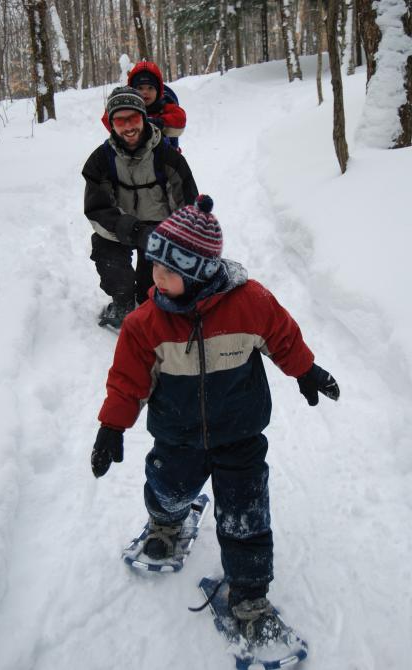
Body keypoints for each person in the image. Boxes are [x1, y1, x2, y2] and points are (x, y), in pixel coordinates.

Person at [90, 195, 340, 645]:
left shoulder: (252, 303)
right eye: (155, 268)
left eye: (168, 272)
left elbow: (283, 337)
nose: (155, 277)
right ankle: (167, 522)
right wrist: (112, 426)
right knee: (168, 491)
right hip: (176, 436)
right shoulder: (145, 324)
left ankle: (248, 595)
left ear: (198, 271)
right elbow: (127, 381)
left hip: (240, 435)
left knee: (246, 516)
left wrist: (306, 371)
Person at [83, 86, 198, 328]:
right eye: (120, 120)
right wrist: (133, 230)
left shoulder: (169, 157)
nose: (128, 127)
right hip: (120, 229)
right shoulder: (100, 161)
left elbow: (187, 207)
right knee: (106, 252)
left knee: (151, 292)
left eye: (133, 118)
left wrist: (175, 240)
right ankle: (123, 303)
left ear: (143, 118)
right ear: (112, 124)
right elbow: (98, 209)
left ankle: (152, 303)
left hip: (159, 231)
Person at [101, 61, 186, 151]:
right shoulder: (127, 107)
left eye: (150, 88)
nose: (145, 92)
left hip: (162, 155)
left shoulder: (164, 105)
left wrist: (159, 123)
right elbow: (107, 117)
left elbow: (180, 119)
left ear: (158, 91)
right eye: (140, 88)